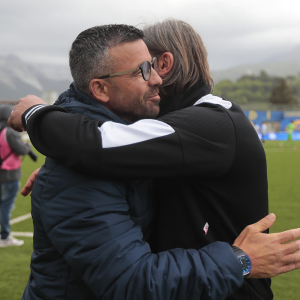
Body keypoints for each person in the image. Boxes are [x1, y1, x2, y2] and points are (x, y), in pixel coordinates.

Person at [8, 24, 300, 300]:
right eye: (143, 69)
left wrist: (38, 117)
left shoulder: (208, 123)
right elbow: (133, 281)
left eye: (152, 64)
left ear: (167, 63)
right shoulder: (99, 162)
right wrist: (239, 260)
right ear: (100, 89)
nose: (156, 80)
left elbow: (94, 145)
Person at [0, 105, 34, 247]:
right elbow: (20, 148)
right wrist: (27, 147)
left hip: (1, 172)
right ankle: (5, 237)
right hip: (9, 174)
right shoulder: (9, 132)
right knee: (6, 205)